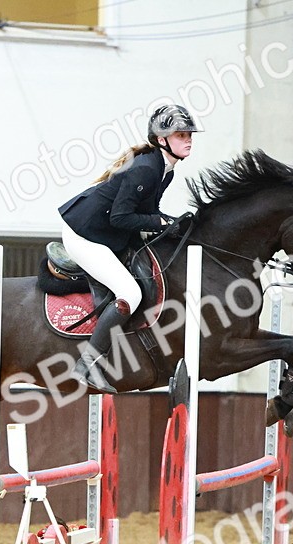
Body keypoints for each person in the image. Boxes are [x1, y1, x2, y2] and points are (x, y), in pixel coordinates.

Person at [58, 104, 201, 392]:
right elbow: (121, 217)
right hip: (84, 235)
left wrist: (169, 224)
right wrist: (164, 222)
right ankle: (89, 364)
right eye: (181, 135)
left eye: (189, 134)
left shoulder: (164, 170)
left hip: (105, 233)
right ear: (162, 140)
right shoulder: (147, 169)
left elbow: (146, 211)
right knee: (130, 293)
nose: (188, 140)